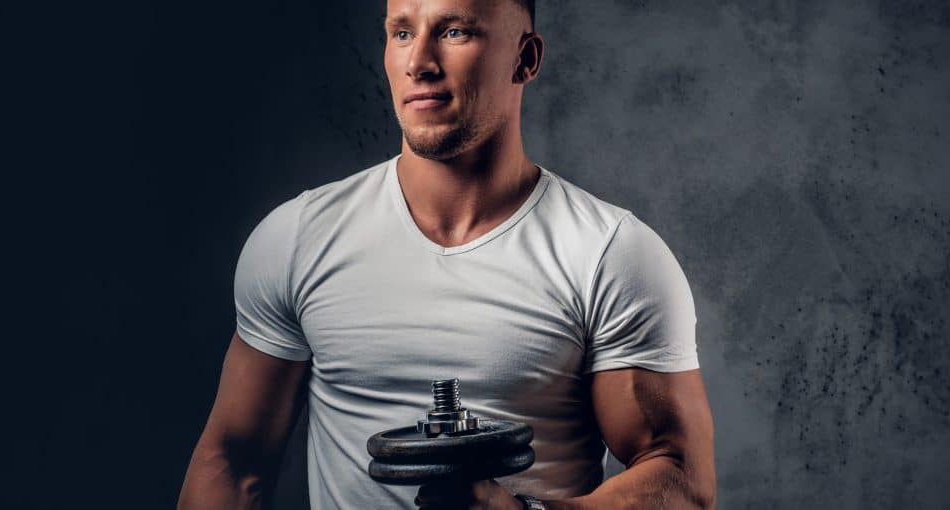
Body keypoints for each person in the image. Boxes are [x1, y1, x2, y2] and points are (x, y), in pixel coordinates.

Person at [177, 0, 716, 508]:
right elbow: (233, 462)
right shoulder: (298, 238)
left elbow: (681, 478)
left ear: (525, 59)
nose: (420, 62)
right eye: (403, 32)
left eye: (455, 31)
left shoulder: (610, 253)